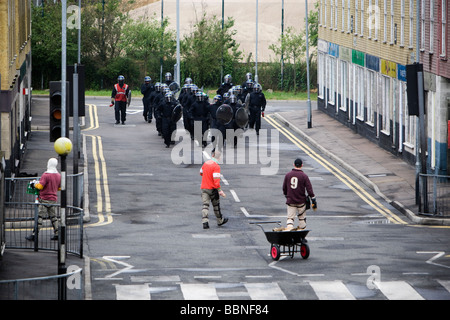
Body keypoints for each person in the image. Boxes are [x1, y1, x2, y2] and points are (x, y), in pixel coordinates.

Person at [275, 158, 317, 231]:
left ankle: (289, 230)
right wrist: (313, 198)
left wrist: (286, 195)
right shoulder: (304, 176)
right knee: (302, 218)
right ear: (302, 165)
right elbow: (309, 189)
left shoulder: (288, 175)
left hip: (291, 200)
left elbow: (284, 187)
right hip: (301, 201)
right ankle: (301, 234)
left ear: (293, 164)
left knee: (290, 218)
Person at [26, 158, 61, 241]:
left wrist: (34, 184)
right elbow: (59, 188)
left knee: (40, 218)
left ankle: (34, 235)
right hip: (53, 199)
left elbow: (41, 186)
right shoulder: (58, 175)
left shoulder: (46, 175)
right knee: (53, 217)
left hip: (44, 199)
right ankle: (57, 234)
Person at [199, 150, 228, 229]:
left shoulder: (206, 163)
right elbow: (216, 180)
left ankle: (205, 222)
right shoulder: (216, 166)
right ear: (219, 157)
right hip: (212, 189)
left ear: (212, 155)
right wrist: (220, 190)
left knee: (205, 206)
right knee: (216, 206)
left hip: (204, 188)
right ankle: (220, 220)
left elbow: (201, 173)